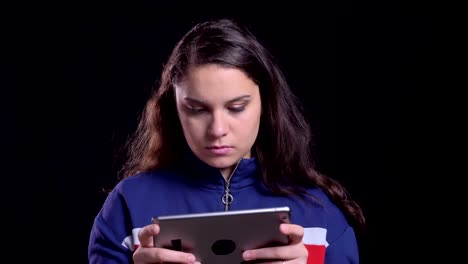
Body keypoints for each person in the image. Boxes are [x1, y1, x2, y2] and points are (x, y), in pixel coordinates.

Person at [88, 18, 365, 264]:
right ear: (174, 109)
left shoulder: (320, 213)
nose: (218, 129)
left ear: (265, 104)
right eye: (197, 109)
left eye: (236, 107)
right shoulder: (128, 205)